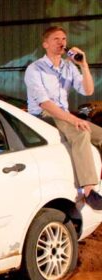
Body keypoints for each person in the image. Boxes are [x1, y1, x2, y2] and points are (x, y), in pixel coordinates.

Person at [24, 26, 102, 209]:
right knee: (81, 133)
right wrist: (74, 120)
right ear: (45, 44)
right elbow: (44, 103)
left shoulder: (69, 67)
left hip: (63, 113)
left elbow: (88, 90)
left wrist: (83, 65)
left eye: (64, 39)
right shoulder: (35, 69)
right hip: (43, 114)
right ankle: (89, 189)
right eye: (56, 39)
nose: (62, 43)